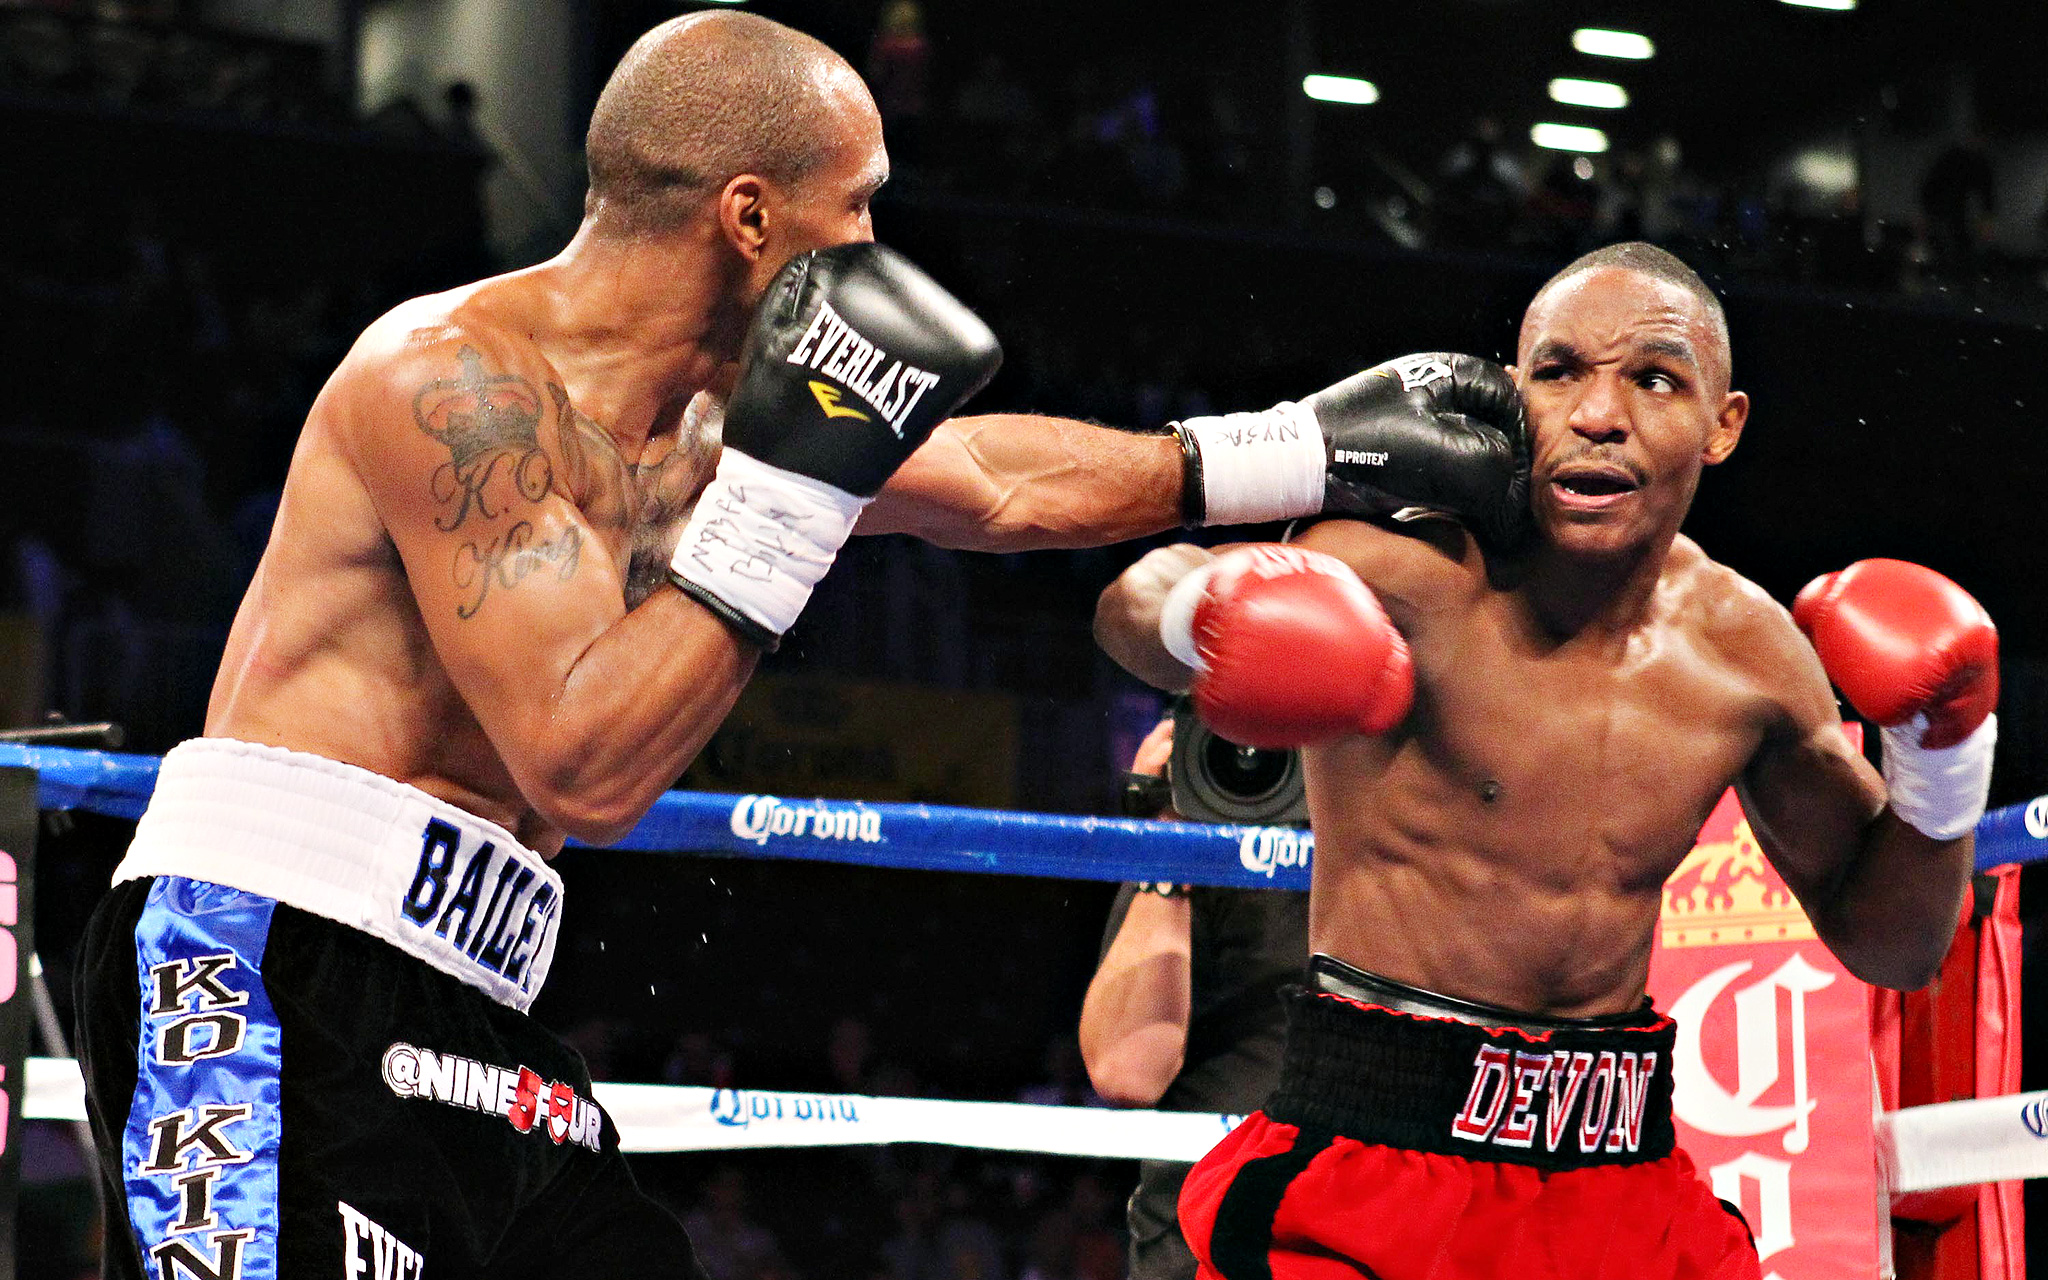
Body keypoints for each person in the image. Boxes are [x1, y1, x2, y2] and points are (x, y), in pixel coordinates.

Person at [70, 12, 1524, 1279]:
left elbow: (1002, 485)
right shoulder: (454, 386)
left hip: (470, 999)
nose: (879, 250)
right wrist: (785, 501)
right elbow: (582, 766)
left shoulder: (716, 424)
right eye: (861, 205)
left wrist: (1303, 448)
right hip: (260, 967)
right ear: (751, 217)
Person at [1093, 241, 1999, 1279]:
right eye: (1558, 370)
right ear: (1511, 392)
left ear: (1722, 423)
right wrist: (1196, 610)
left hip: (1620, 1177)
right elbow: (1132, 598)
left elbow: (1895, 945)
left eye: (1652, 378)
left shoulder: (1743, 652)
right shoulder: (1405, 569)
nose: (1597, 411)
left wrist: (1945, 760)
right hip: (1372, 1156)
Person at [1079, 716, 1307, 1280]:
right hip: (1203, 1251)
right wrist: (1172, 831)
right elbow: (1127, 1074)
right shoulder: (1203, 851)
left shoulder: (1414, 854)